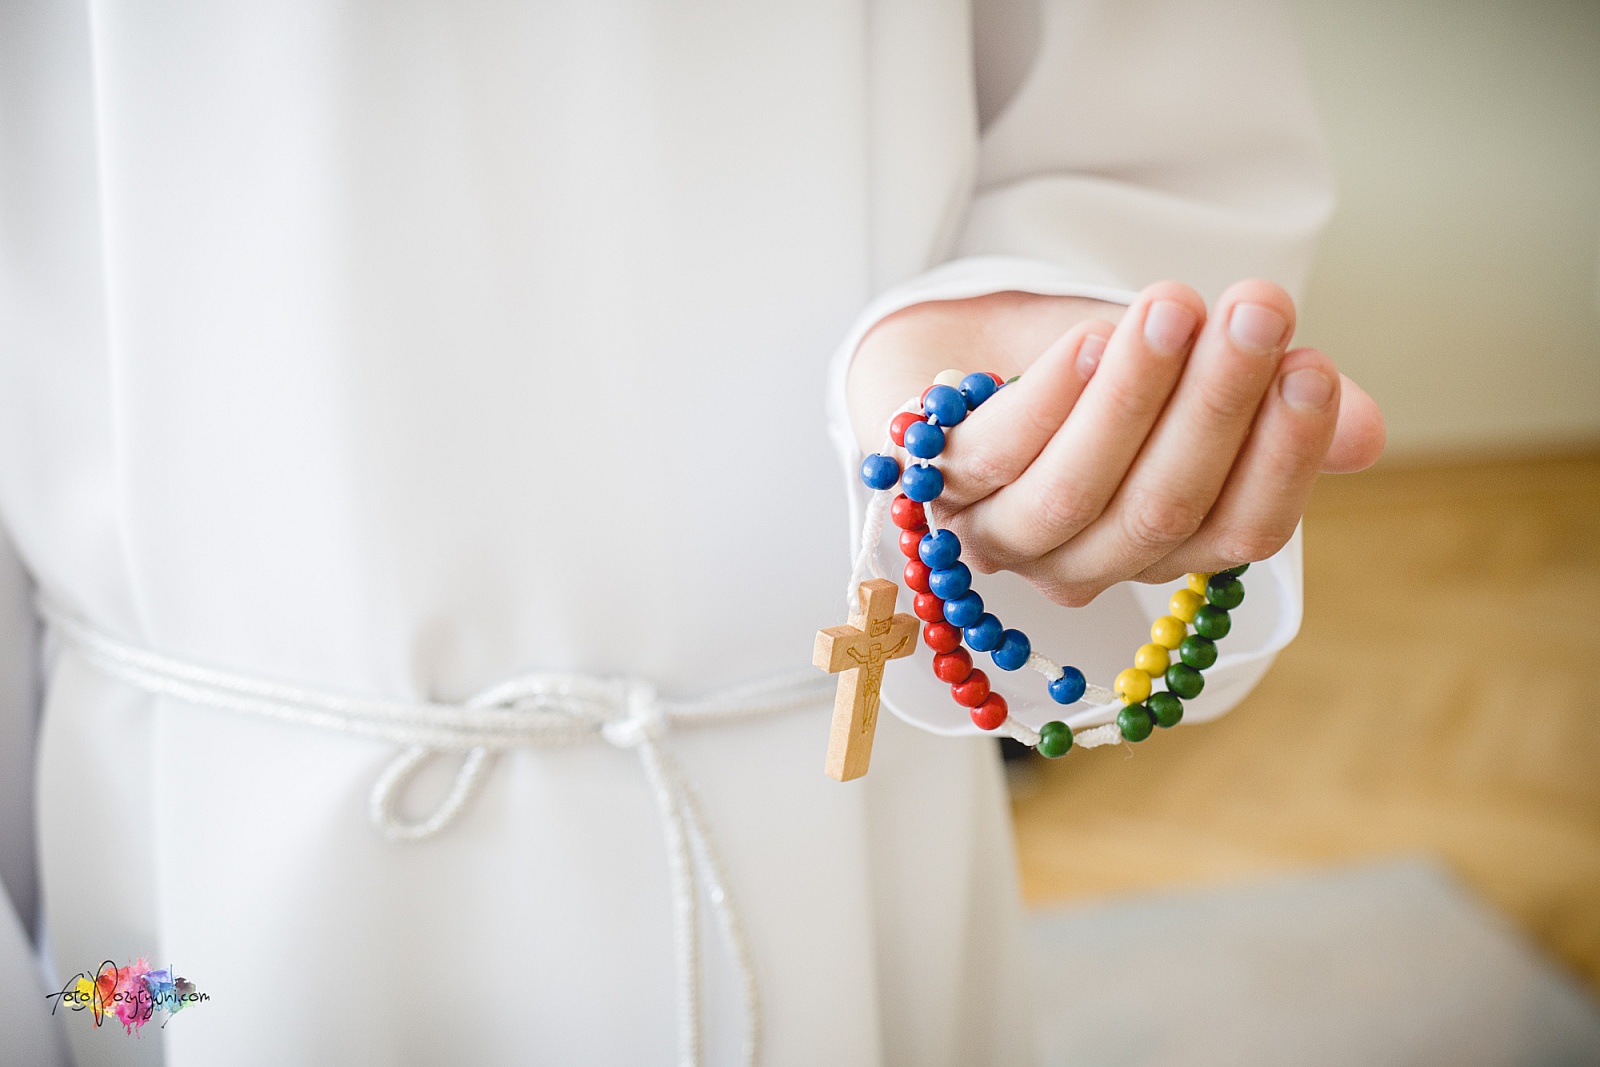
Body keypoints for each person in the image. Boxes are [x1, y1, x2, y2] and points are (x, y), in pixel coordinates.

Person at [0, 1, 1382, 1064]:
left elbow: (1138, 117)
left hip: (820, 814)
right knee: (148, 1007)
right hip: (202, 843)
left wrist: (1027, 319)